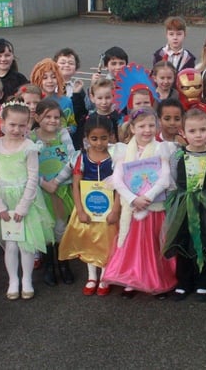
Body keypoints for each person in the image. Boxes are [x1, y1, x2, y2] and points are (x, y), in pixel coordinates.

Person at [103, 107, 176, 298]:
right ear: (133, 128)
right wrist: (133, 199)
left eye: (151, 125)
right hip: (133, 207)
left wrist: (148, 197)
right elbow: (117, 180)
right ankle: (131, 278)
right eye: (142, 126)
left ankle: (156, 278)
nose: (147, 130)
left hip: (153, 208)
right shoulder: (123, 150)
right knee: (133, 246)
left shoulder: (162, 148)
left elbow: (165, 178)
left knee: (153, 245)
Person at [0, 101, 55, 300]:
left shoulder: (29, 147)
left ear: (28, 125)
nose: (16, 129)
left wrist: (23, 206)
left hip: (27, 201)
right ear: (2, 122)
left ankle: (26, 279)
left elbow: (33, 178)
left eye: (22, 125)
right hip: (4, 201)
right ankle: (13, 280)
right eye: (12, 124)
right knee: (11, 244)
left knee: (27, 244)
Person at [163, 107, 206, 302]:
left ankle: (203, 283)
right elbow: (172, 184)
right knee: (183, 244)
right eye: (192, 131)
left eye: (202, 130)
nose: (198, 135)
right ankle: (183, 282)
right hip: (182, 206)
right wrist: (170, 209)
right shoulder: (177, 156)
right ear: (183, 132)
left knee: (204, 244)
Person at [58, 113, 121, 296]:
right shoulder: (81, 158)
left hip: (109, 210)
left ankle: (105, 276)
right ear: (86, 137)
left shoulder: (116, 157)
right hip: (87, 209)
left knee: (107, 242)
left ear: (111, 136)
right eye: (94, 138)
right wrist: (80, 210)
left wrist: (116, 209)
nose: (99, 143)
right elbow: (75, 185)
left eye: (104, 138)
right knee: (88, 242)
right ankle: (91, 275)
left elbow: (120, 185)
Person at [29, 99, 76, 285]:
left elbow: (72, 159)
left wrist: (56, 181)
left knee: (60, 227)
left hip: (60, 189)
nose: (53, 120)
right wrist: (43, 183)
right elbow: (28, 165)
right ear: (37, 116)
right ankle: (49, 265)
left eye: (56, 117)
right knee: (45, 228)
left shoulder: (63, 134)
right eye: (47, 116)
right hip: (41, 191)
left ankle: (64, 264)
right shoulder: (31, 138)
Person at [30, 58, 76, 137]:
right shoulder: (33, 101)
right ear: (37, 79)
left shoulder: (66, 101)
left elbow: (73, 124)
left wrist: (69, 129)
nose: (50, 81)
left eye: (54, 77)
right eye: (45, 78)